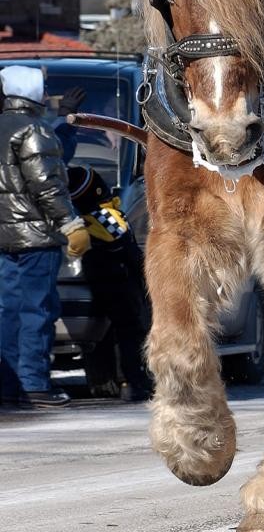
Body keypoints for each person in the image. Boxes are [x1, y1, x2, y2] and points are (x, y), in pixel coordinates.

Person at [0, 66, 91, 408]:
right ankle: (35, 384)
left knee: (8, 311)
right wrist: (71, 224)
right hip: (37, 239)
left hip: (5, 237)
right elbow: (49, 185)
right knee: (37, 310)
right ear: (32, 92)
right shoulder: (34, 130)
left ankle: (9, 385)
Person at [66, 165, 153, 402]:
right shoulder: (108, 217)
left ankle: (105, 381)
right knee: (130, 333)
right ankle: (138, 382)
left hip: (97, 281)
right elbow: (129, 250)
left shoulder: (79, 221)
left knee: (102, 338)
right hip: (119, 282)